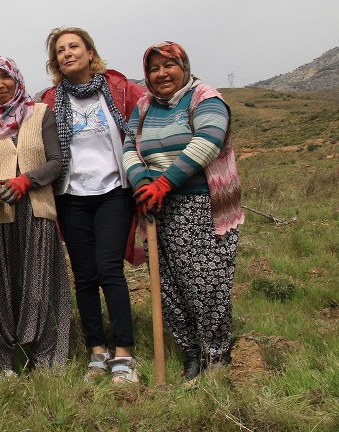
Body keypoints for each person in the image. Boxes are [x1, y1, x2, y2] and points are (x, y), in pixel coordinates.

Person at [123, 41, 243, 384]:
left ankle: (215, 354)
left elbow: (208, 140)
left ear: (184, 66)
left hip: (201, 203)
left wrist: (165, 182)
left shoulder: (205, 97)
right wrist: (142, 180)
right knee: (170, 284)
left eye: (169, 65)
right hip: (157, 206)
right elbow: (130, 147)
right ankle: (191, 353)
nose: (161, 74)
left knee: (206, 282)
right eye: (154, 68)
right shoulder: (144, 106)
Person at [40, 27, 146, 383]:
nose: (67, 53)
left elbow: (148, 114)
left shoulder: (117, 89)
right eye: (60, 50)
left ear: (89, 52)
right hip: (72, 195)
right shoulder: (50, 100)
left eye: (74, 47)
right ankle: (96, 352)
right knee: (84, 276)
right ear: (55, 61)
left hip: (115, 190)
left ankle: (125, 353)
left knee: (109, 269)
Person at [0, 56, 70, 374]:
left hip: (35, 210)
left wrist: (26, 180)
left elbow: (55, 161)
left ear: (17, 78)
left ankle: (45, 358)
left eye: (4, 77)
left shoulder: (41, 115)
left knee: (39, 286)